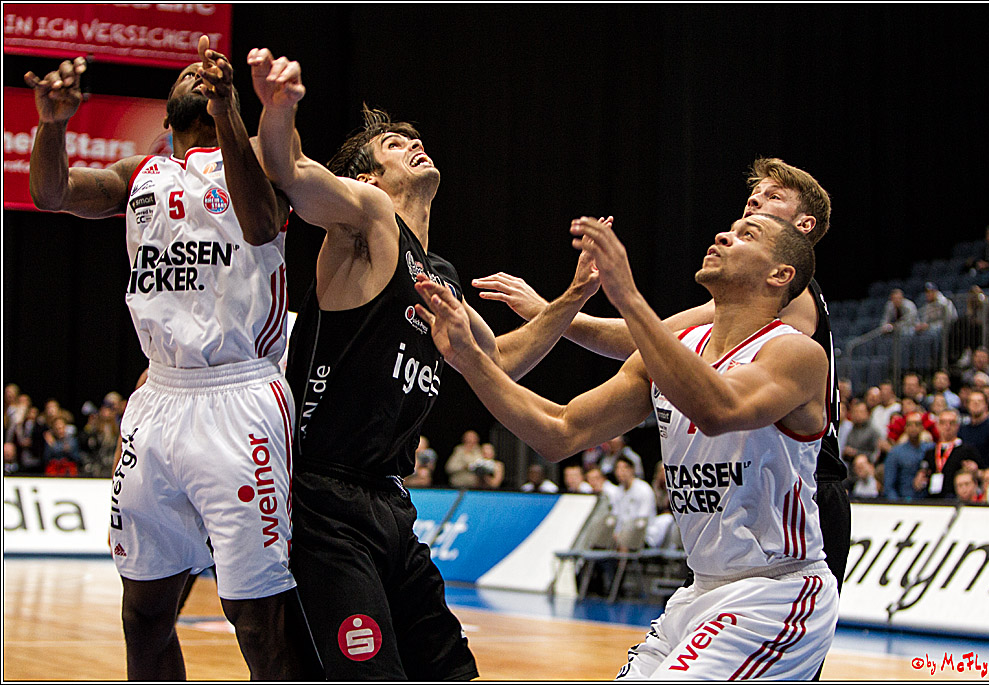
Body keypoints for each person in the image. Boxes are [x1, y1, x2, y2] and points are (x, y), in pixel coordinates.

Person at [247, 47, 602, 680]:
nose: (413, 145)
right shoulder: (367, 219)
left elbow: (500, 363)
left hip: (391, 503)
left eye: (414, 138)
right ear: (369, 178)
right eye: (392, 144)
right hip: (323, 499)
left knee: (453, 671)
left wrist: (572, 298)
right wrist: (279, 107)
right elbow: (291, 171)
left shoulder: (439, 276)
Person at [416, 212, 838, 679]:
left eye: (747, 236)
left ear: (780, 275)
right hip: (697, 594)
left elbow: (720, 411)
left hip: (775, 593)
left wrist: (627, 296)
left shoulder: (795, 352)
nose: (723, 234)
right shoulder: (673, 350)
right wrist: (471, 361)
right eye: (731, 229)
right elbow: (559, 431)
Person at [24, 39, 315, 679]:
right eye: (186, 73)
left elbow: (263, 224)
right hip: (158, 400)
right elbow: (51, 193)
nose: (195, 72)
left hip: (239, 397)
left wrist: (229, 108)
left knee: (256, 619)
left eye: (209, 74)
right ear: (165, 114)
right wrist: (51, 126)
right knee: (144, 611)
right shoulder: (140, 176)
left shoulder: (265, 164)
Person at [473, 158, 852, 623]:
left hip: (803, 497)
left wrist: (559, 308)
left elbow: (649, 341)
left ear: (802, 228)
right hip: (722, 553)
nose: (754, 203)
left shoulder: (795, 303)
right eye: (750, 200)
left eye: (772, 198)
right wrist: (553, 312)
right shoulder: (709, 329)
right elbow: (575, 416)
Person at [918, 409, 982, 499]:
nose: (947, 426)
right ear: (937, 425)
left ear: (958, 426)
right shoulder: (930, 452)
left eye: (951, 423)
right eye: (943, 423)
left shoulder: (968, 450)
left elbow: (981, 474)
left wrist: (975, 471)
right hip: (933, 500)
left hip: (957, 499)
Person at [882, 412, 933, 500]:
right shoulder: (895, 453)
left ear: (922, 428)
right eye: (910, 425)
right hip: (905, 500)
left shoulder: (930, 449)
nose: (913, 428)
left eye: (917, 424)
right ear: (905, 428)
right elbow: (889, 486)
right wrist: (897, 505)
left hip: (929, 501)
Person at [958, 391, 989, 468]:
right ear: (967, 405)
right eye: (972, 401)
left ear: (986, 405)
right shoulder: (962, 429)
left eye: (979, 401)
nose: (976, 404)